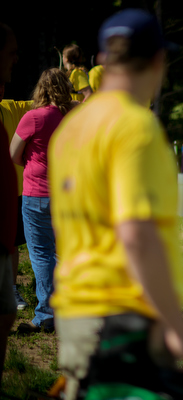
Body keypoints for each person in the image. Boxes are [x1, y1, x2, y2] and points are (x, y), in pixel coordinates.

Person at [48, 9, 183, 399]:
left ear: (103, 60)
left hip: (74, 313)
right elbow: (136, 235)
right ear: (158, 60)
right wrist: (175, 325)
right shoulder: (136, 127)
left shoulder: (71, 128)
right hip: (123, 322)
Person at [9, 68, 75, 334]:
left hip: (36, 193)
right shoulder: (74, 116)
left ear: (41, 89)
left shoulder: (32, 117)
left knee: (41, 254)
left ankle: (47, 314)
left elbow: (13, 154)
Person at [0, 23, 30, 313]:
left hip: (14, 198)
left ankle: (10, 287)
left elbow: (45, 105)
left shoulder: (10, 107)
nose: (16, 59)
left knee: (11, 244)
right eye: (11, 53)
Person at [0, 21, 18, 388]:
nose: (16, 60)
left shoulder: (26, 113)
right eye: (11, 52)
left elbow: (14, 154)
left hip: (22, 200)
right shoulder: (23, 110)